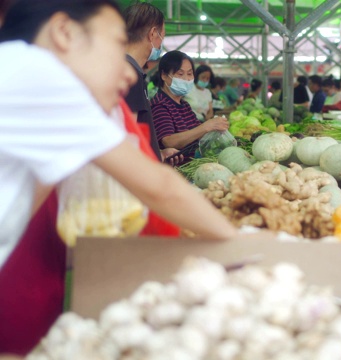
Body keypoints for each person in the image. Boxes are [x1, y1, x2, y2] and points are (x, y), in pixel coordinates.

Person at [0, 0, 242, 353]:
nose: (129, 72)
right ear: (64, 32)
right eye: (115, 45)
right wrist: (240, 246)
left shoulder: (16, 71)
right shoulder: (41, 75)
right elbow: (160, 188)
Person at [151, 50, 229, 162]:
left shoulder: (184, 105)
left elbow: (197, 132)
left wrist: (216, 129)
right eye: (180, 74)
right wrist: (206, 126)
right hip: (173, 172)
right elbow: (168, 141)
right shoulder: (160, 105)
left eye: (189, 74)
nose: (187, 79)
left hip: (189, 166)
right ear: (164, 75)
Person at [123, 2, 167, 161]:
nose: (161, 44)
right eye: (162, 37)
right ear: (153, 33)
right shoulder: (129, 76)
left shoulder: (130, 70)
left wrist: (157, 154)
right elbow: (127, 142)